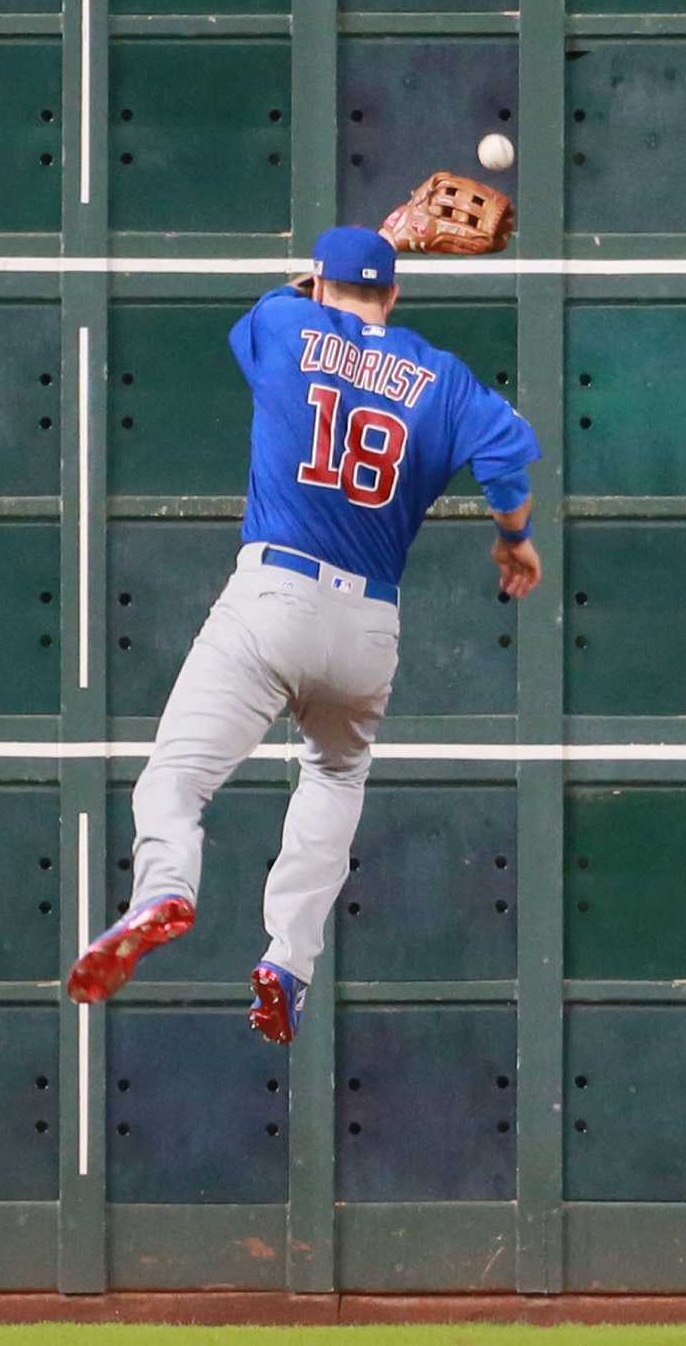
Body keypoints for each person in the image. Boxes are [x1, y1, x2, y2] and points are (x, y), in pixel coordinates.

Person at [66, 225, 544, 1044]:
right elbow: (510, 459)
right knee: (333, 778)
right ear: (394, 296)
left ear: (322, 285)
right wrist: (512, 539)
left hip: (273, 597)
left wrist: (360, 251)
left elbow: (287, 300)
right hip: (368, 627)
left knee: (174, 783)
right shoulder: (447, 379)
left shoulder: (287, 326)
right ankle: (287, 958)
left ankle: (164, 891)